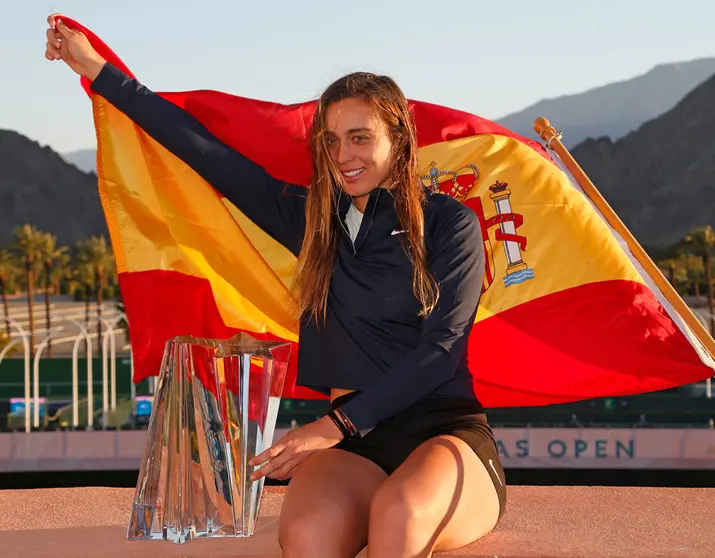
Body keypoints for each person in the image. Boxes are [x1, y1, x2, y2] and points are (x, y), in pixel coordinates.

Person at [45, 14, 506, 557]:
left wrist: (333, 425)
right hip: (358, 447)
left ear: (399, 137)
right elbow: (205, 153)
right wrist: (98, 71)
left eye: (360, 138)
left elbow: (441, 350)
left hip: (444, 434)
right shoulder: (314, 222)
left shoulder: (450, 224)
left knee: (399, 515)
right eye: (331, 141)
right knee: (308, 536)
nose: (343, 157)